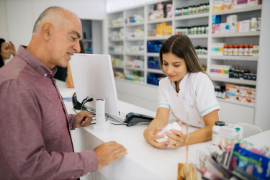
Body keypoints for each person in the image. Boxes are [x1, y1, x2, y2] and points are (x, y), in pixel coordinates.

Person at [0, 6, 127, 180]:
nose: (77, 47)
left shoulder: (42, 73)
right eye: (73, 38)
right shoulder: (15, 84)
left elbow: (38, 120)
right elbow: (30, 167)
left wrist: (71, 120)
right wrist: (94, 159)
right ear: (47, 31)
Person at [143, 35, 220, 149]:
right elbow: (161, 118)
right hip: (184, 131)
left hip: (204, 141)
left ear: (188, 62)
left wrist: (185, 140)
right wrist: (148, 132)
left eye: (176, 65)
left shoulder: (200, 80)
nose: (169, 70)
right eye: (165, 63)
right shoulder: (164, 83)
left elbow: (213, 127)